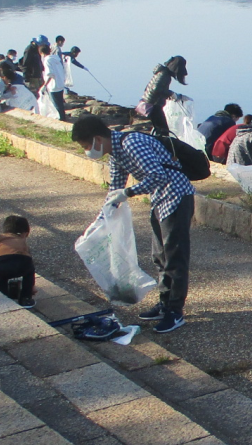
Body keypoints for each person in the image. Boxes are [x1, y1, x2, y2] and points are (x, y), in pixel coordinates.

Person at [72, 114, 195, 334]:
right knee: (160, 256)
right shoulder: (116, 153)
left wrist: (129, 192)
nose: (87, 151)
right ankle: (165, 303)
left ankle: (175, 312)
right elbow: (114, 190)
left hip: (176, 196)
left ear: (98, 139)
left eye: (86, 145)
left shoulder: (132, 144)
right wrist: (100, 221)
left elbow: (158, 176)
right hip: (159, 199)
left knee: (174, 256)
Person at [140, 55, 188, 134]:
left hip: (151, 104)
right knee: (163, 131)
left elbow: (158, 88)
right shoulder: (164, 75)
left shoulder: (163, 73)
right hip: (153, 106)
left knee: (161, 129)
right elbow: (156, 89)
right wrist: (171, 93)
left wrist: (169, 95)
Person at [40, 39, 69, 120]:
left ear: (41, 53)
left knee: (56, 105)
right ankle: (63, 118)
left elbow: (50, 74)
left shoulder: (47, 60)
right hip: (60, 84)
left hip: (53, 86)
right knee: (60, 104)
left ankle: (61, 120)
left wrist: (44, 85)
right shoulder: (56, 58)